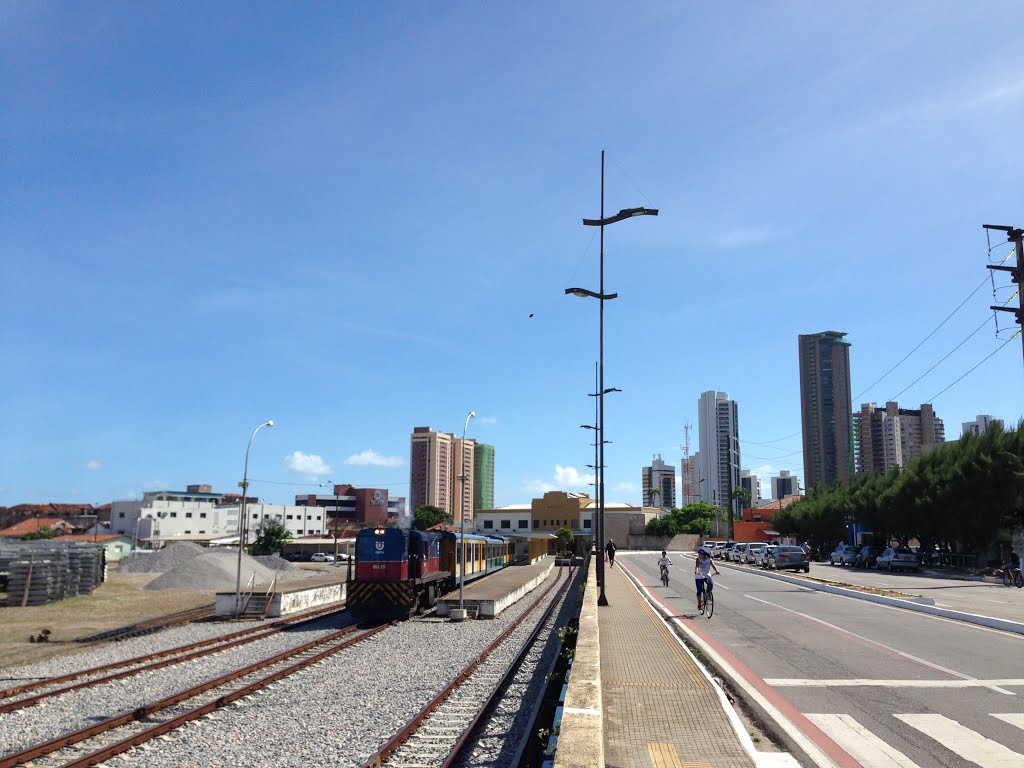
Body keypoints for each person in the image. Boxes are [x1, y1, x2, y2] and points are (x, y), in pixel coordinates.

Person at [694, 546, 720, 612]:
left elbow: (713, 565)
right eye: (698, 554)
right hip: (699, 575)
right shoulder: (698, 559)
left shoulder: (709, 559)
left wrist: (717, 571)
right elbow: (697, 566)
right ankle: (699, 604)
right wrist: (696, 572)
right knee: (699, 590)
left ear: (704, 554)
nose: (699, 555)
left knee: (710, 584)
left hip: (707, 574)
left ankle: (708, 594)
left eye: (700, 554)